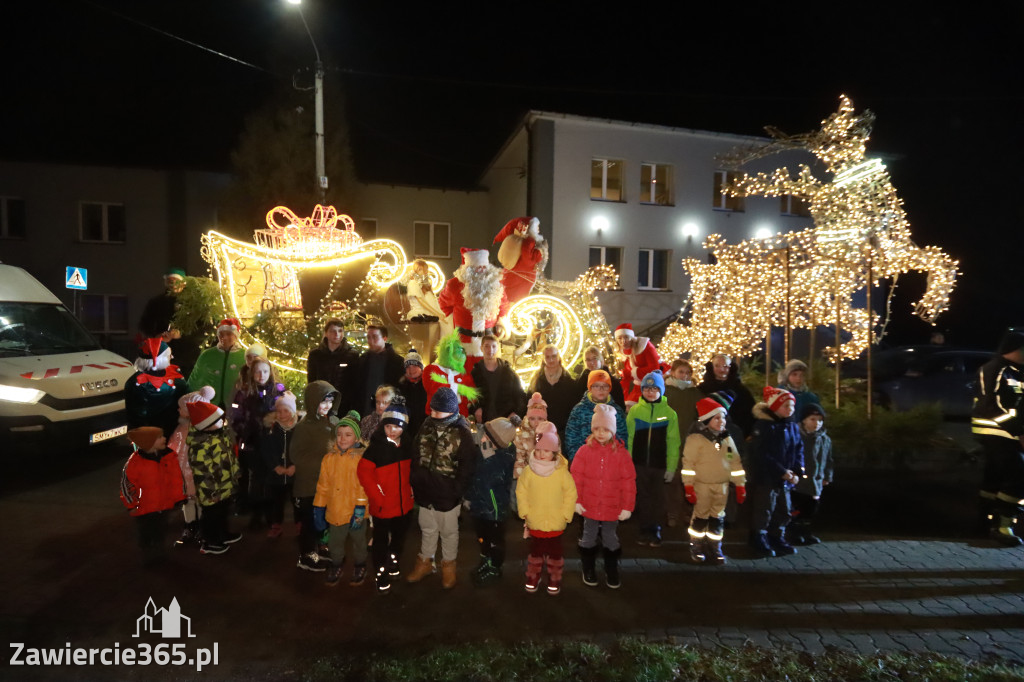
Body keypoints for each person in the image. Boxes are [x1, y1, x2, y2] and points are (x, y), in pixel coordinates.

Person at [406, 388, 478, 589]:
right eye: (433, 411)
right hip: (425, 491)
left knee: (448, 532)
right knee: (427, 528)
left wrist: (456, 490)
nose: (434, 415)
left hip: (448, 495)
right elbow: (415, 453)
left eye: (439, 412)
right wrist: (415, 479)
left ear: (451, 411)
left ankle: (448, 565)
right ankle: (425, 562)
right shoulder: (426, 426)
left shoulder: (461, 433)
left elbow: (467, 466)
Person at [570, 404, 636, 589]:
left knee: (610, 537)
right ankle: (588, 568)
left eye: (606, 429)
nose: (600, 433)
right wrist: (576, 501)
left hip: (612, 507)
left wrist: (627, 506)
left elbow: (628, 481)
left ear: (613, 431)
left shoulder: (621, 454)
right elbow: (576, 478)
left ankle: (611, 569)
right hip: (589, 505)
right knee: (588, 537)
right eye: (597, 429)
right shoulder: (584, 452)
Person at [357, 395, 415, 594]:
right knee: (381, 540)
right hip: (382, 506)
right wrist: (377, 496)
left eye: (397, 426)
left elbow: (413, 471)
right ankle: (380, 571)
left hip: (404, 504)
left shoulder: (408, 446)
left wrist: (412, 492)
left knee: (399, 536)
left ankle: (394, 558)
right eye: (388, 426)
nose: (392, 430)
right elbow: (364, 473)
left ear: (404, 427)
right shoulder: (375, 448)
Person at [971, 331, 1024, 546]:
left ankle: (983, 523)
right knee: (1019, 473)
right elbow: (988, 405)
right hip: (993, 430)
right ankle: (1002, 526)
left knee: (994, 478)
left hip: (1009, 432)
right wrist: (1018, 431)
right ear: (1016, 349)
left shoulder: (1017, 372)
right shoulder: (993, 369)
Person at [681, 397, 746, 565]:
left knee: (718, 517)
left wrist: (740, 484)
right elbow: (688, 464)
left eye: (723, 417)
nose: (722, 421)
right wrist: (688, 485)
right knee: (701, 517)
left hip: (722, 486)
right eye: (717, 418)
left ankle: (715, 545)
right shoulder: (696, 439)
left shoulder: (727, 439)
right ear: (707, 420)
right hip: (702, 485)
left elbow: (735, 462)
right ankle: (696, 545)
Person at [516, 421, 577, 595]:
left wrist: (566, 514)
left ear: (555, 452)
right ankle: (533, 575)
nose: (543, 454)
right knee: (535, 552)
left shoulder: (562, 472)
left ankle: (555, 576)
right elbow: (521, 491)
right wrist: (525, 511)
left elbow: (570, 493)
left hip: (556, 521)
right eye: (540, 450)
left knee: (555, 553)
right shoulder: (529, 471)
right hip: (535, 520)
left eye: (547, 451)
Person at [747, 387, 804, 557]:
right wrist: (781, 471)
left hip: (785, 479)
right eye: (786, 406)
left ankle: (776, 536)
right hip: (767, 478)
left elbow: (798, 448)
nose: (790, 409)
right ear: (774, 407)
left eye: (792, 406)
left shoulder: (791, 425)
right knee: (764, 509)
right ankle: (758, 537)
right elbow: (762, 453)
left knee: (784, 509)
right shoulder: (765, 426)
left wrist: (796, 470)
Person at [313, 413, 369, 587]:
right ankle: (336, 564)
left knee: (359, 541)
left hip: (356, 511)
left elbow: (364, 486)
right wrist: (319, 507)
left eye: (348, 434)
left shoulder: (361, 459)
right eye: (339, 434)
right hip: (335, 511)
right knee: (335, 542)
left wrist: (360, 507)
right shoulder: (328, 459)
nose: (342, 438)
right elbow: (323, 485)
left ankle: (360, 564)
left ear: (356, 437)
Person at [289, 381, 340, 572]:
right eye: (323, 401)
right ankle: (306, 554)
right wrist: (324, 461)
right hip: (309, 485)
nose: (327, 405)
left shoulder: (334, 421)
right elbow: (297, 454)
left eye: (330, 400)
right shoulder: (304, 427)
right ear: (312, 402)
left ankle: (320, 547)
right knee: (309, 520)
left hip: (328, 482)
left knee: (323, 519)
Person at [626, 371, 680, 548]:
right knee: (643, 497)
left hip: (659, 465)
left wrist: (671, 467)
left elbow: (673, 442)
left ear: (661, 390)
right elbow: (629, 438)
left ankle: (655, 528)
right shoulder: (635, 411)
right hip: (639, 464)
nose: (650, 392)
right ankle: (644, 528)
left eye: (654, 388)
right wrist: (628, 462)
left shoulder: (670, 414)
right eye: (647, 388)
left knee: (658, 498)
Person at [466, 415, 520, 586]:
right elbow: (474, 475)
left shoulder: (504, 456)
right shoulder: (484, 449)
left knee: (494, 539)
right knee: (482, 536)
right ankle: (485, 558)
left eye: (488, 436)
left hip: (494, 508)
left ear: (498, 442)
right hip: (479, 503)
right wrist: (468, 496)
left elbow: (492, 479)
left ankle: (495, 566)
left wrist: (488, 456)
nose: (483, 437)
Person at [120, 426, 186, 565]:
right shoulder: (134, 464)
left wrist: (179, 497)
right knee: (146, 531)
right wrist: (132, 504)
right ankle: (148, 553)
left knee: (161, 529)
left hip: (163, 505)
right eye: (159, 437)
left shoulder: (169, 457)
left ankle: (158, 551)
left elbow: (176, 479)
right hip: (144, 509)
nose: (164, 439)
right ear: (148, 442)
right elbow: (127, 486)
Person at [229, 356, 285, 516]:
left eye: (265, 371)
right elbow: (235, 415)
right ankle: (256, 513)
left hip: (272, 441)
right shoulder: (243, 392)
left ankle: (272, 512)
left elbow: (287, 411)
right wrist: (244, 431)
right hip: (251, 441)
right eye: (258, 372)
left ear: (270, 372)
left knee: (271, 476)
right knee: (256, 478)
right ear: (252, 373)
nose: (262, 375)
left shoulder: (278, 389)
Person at [186, 399, 242, 555]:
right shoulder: (200, 446)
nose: (223, 422)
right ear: (207, 425)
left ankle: (223, 534)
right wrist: (212, 493)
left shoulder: (220, 435)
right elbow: (202, 473)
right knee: (211, 515)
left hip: (224, 485)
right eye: (219, 420)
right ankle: (209, 541)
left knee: (222, 512)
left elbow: (230, 457)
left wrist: (235, 472)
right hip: (211, 490)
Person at [437, 247, 510, 365]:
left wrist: (501, 323)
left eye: (484, 267)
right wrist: (454, 320)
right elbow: (443, 304)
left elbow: (504, 307)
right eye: (477, 268)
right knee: (464, 376)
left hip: (489, 345)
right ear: (468, 270)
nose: (481, 271)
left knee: (489, 377)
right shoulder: (455, 285)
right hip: (464, 344)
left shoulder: (495, 285)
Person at [167, 386, 215, 548]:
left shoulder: (207, 432)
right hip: (183, 473)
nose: (179, 411)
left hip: (199, 473)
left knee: (201, 500)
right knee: (188, 500)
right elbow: (173, 448)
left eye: (182, 408)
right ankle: (190, 525)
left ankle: (202, 527)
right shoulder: (181, 430)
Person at [137, 268, 204, 377]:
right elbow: (144, 325)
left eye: (176, 281)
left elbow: (203, 328)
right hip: (162, 354)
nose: (173, 284)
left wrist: (182, 334)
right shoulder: (156, 303)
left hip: (188, 356)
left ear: (183, 282)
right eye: (170, 281)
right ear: (165, 283)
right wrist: (157, 337)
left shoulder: (194, 303)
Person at [253, 392, 298, 538]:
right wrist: (275, 466)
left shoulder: (298, 430)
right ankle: (276, 525)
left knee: (297, 501)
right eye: (279, 411)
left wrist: (294, 465)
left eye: (286, 410)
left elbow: (301, 449)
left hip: (294, 473)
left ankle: (299, 525)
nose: (282, 414)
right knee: (276, 502)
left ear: (292, 412)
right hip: (276, 475)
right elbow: (266, 450)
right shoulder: (271, 429)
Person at [125, 337, 189, 437]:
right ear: (158, 359)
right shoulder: (138, 382)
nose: (171, 357)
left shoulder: (174, 372)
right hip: (152, 436)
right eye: (168, 355)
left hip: (176, 428)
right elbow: (136, 416)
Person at [664, 359, 702, 528]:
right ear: (673, 372)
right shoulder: (666, 391)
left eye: (688, 372)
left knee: (690, 477)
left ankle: (688, 510)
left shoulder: (695, 393)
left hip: (690, 440)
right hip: (671, 440)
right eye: (681, 372)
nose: (685, 375)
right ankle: (672, 511)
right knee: (672, 477)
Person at [789, 403, 833, 546]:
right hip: (798, 481)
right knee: (796, 509)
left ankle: (806, 532)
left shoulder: (824, 439)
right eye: (812, 419)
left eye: (819, 420)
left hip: (816, 480)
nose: (817, 423)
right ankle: (793, 533)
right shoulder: (796, 435)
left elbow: (828, 459)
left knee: (811, 509)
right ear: (804, 420)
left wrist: (827, 476)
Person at [563, 369, 628, 462]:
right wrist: (577, 460)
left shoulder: (617, 411)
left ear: (609, 388)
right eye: (596, 386)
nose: (601, 389)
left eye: (605, 386)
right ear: (590, 388)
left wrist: (617, 460)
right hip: (585, 461)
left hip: (610, 462)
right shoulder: (579, 410)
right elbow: (571, 438)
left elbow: (622, 438)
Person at [189, 318, 247, 410]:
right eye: (221, 334)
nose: (224, 337)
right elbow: (195, 379)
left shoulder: (245, 356)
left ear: (236, 336)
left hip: (236, 406)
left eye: (228, 334)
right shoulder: (207, 355)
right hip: (209, 405)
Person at [348, 324, 405, 417]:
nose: (371, 341)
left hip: (388, 413)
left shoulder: (397, 362)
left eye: (375, 337)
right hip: (365, 412)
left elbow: (400, 390)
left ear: (384, 338)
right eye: (368, 337)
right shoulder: (362, 360)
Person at [471, 334, 526, 424]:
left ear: (498, 348)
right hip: (483, 423)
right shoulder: (475, 373)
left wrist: (516, 412)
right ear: (481, 348)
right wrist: (475, 408)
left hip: (505, 422)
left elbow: (520, 395)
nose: (490, 350)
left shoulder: (509, 372)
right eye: (487, 346)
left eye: (493, 346)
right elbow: (469, 396)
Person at [423, 331, 479, 418]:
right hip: (435, 418)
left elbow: (471, 397)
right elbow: (434, 389)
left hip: (460, 419)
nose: (460, 353)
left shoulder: (464, 375)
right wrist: (459, 389)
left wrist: (448, 387)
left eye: (462, 350)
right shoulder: (431, 369)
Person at [698, 353, 756, 437]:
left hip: (735, 435)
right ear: (712, 367)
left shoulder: (740, 390)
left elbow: (749, 414)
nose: (721, 369)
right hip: (708, 434)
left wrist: (746, 433)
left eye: (725, 366)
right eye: (717, 366)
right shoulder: (702, 389)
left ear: (730, 368)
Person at [493, 216, 548, 304]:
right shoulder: (529, 242)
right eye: (537, 227)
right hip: (520, 281)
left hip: (513, 278)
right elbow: (529, 259)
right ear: (531, 228)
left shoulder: (517, 242)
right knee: (517, 304)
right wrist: (540, 252)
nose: (538, 229)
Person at [527, 344, 577, 437]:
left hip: (563, 431)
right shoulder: (536, 380)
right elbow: (529, 404)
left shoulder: (568, 380)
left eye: (553, 356)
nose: (551, 360)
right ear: (543, 359)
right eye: (547, 357)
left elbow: (573, 407)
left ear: (558, 357)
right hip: (540, 431)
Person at [613, 323, 663, 408]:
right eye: (619, 338)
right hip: (637, 384)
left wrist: (632, 373)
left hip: (653, 383)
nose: (623, 341)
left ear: (631, 337)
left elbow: (654, 368)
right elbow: (627, 375)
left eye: (626, 337)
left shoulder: (644, 346)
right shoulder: (622, 351)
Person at [405, 260, 444, 364]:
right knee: (426, 346)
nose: (426, 273)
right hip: (421, 314)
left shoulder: (424, 284)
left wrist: (437, 313)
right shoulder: (413, 283)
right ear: (418, 269)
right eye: (424, 270)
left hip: (430, 315)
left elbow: (429, 301)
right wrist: (437, 313)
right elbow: (421, 301)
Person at [307, 319, 358, 394]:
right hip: (322, 399)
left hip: (345, 401)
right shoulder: (315, 355)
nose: (337, 334)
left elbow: (355, 382)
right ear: (326, 333)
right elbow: (312, 381)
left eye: (340, 331)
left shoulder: (352, 355)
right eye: (332, 331)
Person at [575, 345, 626, 410]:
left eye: (594, 358)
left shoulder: (613, 382)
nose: (591, 363)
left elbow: (620, 407)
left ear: (600, 359)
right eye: (588, 360)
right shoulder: (581, 383)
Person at [398, 351, 428, 437]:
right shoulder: (401, 386)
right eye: (408, 367)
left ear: (421, 367)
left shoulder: (428, 385)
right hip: (406, 431)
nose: (411, 370)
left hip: (424, 430)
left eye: (415, 366)